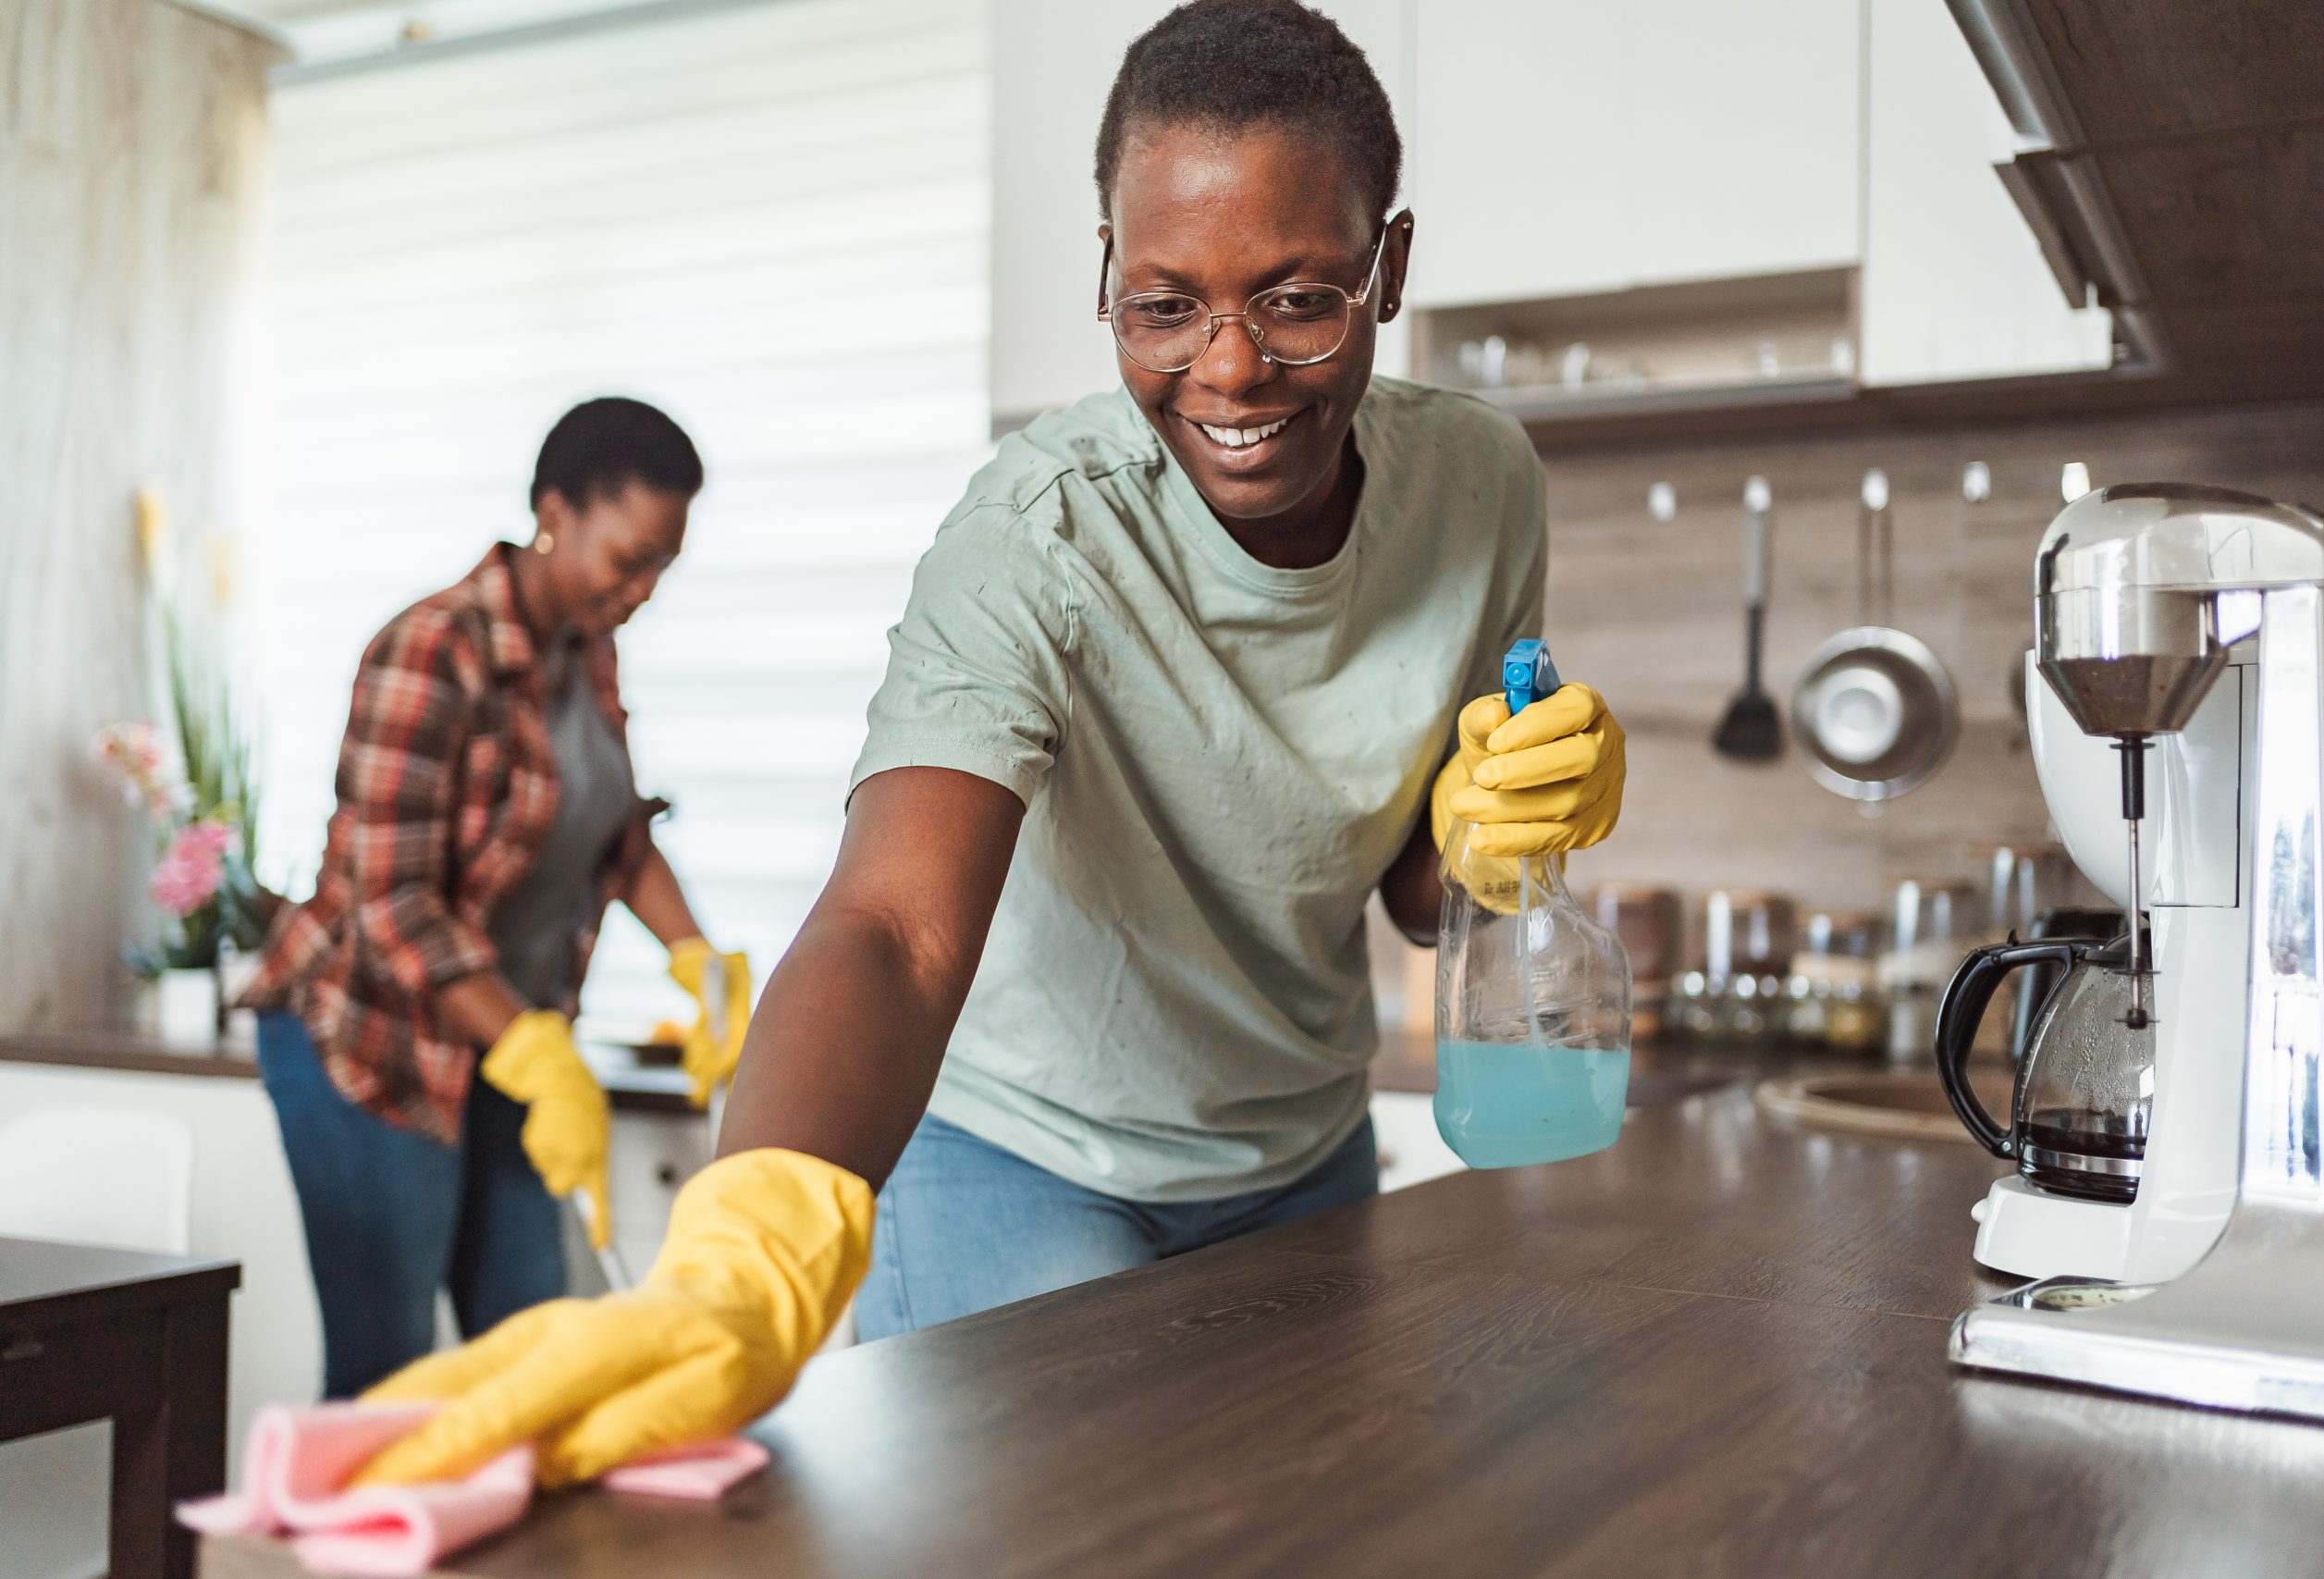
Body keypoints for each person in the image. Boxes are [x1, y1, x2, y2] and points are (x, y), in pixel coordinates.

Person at [352, 0, 1624, 1486]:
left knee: (1318, 1521)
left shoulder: (1480, 487)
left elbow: (1417, 896)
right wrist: (747, 1247)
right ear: (1107, 278)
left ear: (1387, 267)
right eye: (1163, 305)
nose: (1226, 370)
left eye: (1297, 299)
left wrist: (1492, 828)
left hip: (1300, 1154)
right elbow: (893, 924)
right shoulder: (1038, 533)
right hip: (1023, 1155)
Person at [240, 397, 755, 1399]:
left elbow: (616, 833)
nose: (643, 591)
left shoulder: (587, 647)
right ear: (555, 510)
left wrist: (699, 958)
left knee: (536, 1350)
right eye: (630, 560)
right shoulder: (433, 648)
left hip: (504, 1047)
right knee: (389, 1369)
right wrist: (528, 1047)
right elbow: (389, 903)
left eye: (663, 569)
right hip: (371, 1043)